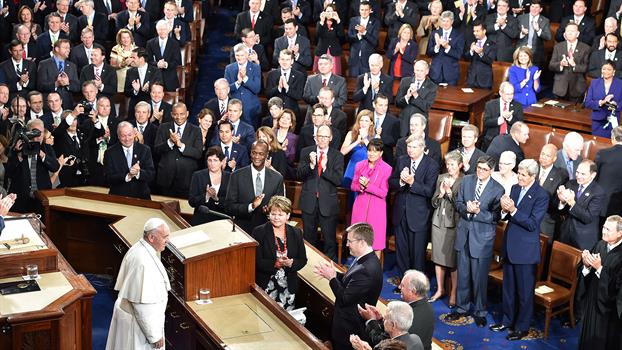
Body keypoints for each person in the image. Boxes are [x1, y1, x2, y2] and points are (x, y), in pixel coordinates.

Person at [491, 159, 549, 340]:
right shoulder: (515, 188)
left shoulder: (541, 195)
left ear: (533, 176)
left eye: (524, 175)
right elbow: (508, 214)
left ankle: (522, 327)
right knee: (508, 289)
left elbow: (532, 224)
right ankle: (507, 321)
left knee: (524, 293)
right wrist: (504, 209)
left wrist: (514, 210)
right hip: (510, 246)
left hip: (525, 251)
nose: (520, 177)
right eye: (520, 173)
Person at [447, 155, 504, 327]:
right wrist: (467, 209)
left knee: (479, 278)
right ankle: (461, 308)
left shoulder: (498, 189)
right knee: (463, 274)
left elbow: (496, 216)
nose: (480, 171)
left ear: (492, 171)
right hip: (464, 234)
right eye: (478, 168)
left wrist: (478, 212)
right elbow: (457, 203)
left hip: (482, 238)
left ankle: (480, 311)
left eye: (484, 169)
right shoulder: (467, 181)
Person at [313, 222, 383, 350]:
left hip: (350, 329)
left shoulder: (367, 268)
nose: (346, 244)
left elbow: (345, 299)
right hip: (346, 325)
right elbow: (352, 280)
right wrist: (334, 274)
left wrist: (332, 278)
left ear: (361, 242)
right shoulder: (365, 259)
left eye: (350, 241)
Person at [105, 218, 171, 350]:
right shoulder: (143, 262)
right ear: (151, 237)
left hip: (132, 319)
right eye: (165, 237)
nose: (168, 241)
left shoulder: (141, 248)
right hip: (137, 327)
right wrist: (154, 336)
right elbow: (142, 307)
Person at [390, 135, 439, 274]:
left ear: (423, 148)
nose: (410, 150)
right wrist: (400, 182)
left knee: (417, 254)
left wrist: (412, 183)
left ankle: (417, 287)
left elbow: (430, 191)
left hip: (419, 216)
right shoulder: (401, 160)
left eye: (414, 147)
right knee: (402, 251)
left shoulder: (432, 164)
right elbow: (391, 182)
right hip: (400, 213)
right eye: (408, 147)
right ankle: (403, 282)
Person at [297, 125, 344, 260]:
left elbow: (338, 180)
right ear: (315, 138)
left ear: (330, 138)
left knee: (329, 241)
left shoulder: (337, 156)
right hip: (309, 202)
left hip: (328, 204)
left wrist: (324, 168)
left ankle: (329, 269)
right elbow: (299, 175)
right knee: (308, 239)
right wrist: (311, 166)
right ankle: (308, 267)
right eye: (320, 136)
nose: (322, 139)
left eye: (325, 137)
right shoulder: (306, 152)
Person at [252, 196, 308, 310]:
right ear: (269, 214)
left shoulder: (296, 232)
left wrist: (291, 262)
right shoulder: (259, 232)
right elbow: (256, 261)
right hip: (266, 284)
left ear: (287, 216)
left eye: (280, 214)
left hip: (288, 287)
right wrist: (275, 264)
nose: (276, 218)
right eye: (273, 214)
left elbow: (303, 260)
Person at [576, 215, 622, 349]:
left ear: (620, 233)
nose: (604, 231)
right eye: (603, 227)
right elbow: (586, 274)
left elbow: (618, 288)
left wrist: (600, 268)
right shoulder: (600, 244)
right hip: (592, 303)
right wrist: (586, 265)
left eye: (608, 229)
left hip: (608, 313)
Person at [358, 270, 434, 350]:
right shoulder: (428, 307)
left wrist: (371, 321)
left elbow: (384, 344)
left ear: (413, 291)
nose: (399, 287)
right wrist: (381, 320)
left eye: (403, 285)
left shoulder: (408, 316)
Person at [225, 140, 285, 233]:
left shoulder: (277, 178)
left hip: (267, 230)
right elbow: (229, 207)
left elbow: (279, 208)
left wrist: (269, 211)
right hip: (242, 230)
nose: (257, 157)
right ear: (250, 153)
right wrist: (251, 206)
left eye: (261, 154)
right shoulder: (236, 176)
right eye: (254, 153)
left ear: (267, 154)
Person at [429, 151, 463, 306]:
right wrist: (441, 194)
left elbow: (460, 206)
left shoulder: (464, 181)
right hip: (438, 222)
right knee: (438, 257)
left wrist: (449, 193)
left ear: (460, 166)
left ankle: (454, 292)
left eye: (453, 165)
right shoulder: (441, 178)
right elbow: (434, 202)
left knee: (451, 260)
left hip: (453, 224)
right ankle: (440, 289)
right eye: (448, 164)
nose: (449, 167)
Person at [6, 118, 60, 213]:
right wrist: (18, 154)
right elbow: (9, 173)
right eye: (35, 132)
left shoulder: (47, 148)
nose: (38, 136)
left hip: (41, 197)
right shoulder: (18, 148)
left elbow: (55, 167)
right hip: (21, 198)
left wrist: (41, 154)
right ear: (28, 133)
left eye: (41, 132)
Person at [350, 139, 392, 258]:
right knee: (358, 240)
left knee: (376, 243)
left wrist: (368, 186)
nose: (371, 153)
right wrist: (361, 187)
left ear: (381, 153)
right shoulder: (360, 165)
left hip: (376, 210)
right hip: (360, 206)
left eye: (375, 151)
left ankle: (375, 273)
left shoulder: (386, 169)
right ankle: (357, 270)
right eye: (369, 150)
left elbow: (383, 192)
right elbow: (353, 185)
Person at [154, 102, 202, 197]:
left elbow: (198, 153)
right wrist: (170, 142)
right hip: (166, 178)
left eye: (182, 114)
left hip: (186, 180)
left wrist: (181, 145)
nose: (178, 117)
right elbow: (156, 150)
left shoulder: (196, 130)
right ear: (172, 114)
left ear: (187, 113)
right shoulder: (163, 128)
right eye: (175, 114)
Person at [556, 160, 605, 250]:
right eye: (577, 172)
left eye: (583, 174)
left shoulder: (598, 192)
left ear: (593, 175)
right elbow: (562, 212)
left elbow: (588, 217)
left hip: (582, 239)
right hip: (565, 234)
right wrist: (562, 201)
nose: (578, 176)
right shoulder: (571, 184)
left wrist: (572, 202)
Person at [103, 121, 155, 200]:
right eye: (123, 136)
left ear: (134, 134)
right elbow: (108, 178)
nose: (127, 139)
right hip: (118, 197)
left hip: (141, 197)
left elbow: (151, 175)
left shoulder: (145, 150)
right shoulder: (110, 152)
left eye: (129, 135)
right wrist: (127, 176)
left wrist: (138, 173)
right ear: (118, 136)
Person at [352, 301, 424, 350]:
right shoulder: (416, 339)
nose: (383, 320)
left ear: (393, 325)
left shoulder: (386, 348)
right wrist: (379, 320)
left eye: (385, 318)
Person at [188, 146, 230, 225]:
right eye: (209, 160)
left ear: (221, 162)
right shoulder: (198, 175)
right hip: (201, 221)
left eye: (215, 160)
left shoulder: (230, 177)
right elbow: (192, 201)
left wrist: (217, 199)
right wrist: (206, 196)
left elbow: (231, 203)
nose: (212, 164)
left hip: (221, 222)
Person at [395, 60, 438, 137]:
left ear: (427, 71)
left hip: (419, 126)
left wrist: (415, 95)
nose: (419, 73)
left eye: (422, 71)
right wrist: (407, 97)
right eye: (417, 70)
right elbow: (397, 103)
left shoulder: (432, 86)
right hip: (403, 124)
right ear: (414, 70)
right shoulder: (405, 81)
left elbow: (426, 107)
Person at [549, 22, 590, 102]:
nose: (570, 33)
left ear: (578, 33)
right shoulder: (558, 47)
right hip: (560, 87)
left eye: (572, 31)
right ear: (565, 33)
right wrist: (560, 64)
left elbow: (587, 68)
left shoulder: (586, 48)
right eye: (568, 31)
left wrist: (574, 65)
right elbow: (551, 65)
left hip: (577, 87)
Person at [224, 43, 261, 128]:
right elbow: (227, 89)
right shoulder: (229, 68)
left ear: (247, 55)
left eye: (242, 55)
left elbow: (256, 89)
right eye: (237, 55)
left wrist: (245, 78)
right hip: (234, 109)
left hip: (251, 108)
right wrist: (238, 82)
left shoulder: (255, 67)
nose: (239, 58)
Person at [36, 39, 80, 110]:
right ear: (57, 49)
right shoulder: (44, 64)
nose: (68, 50)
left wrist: (68, 84)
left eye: (69, 48)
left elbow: (77, 87)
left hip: (67, 105)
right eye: (65, 48)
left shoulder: (72, 66)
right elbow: (40, 86)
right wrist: (56, 84)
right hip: (50, 106)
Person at [537, 144, 569, 240]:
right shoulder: (531, 168)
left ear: (554, 159)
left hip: (546, 221)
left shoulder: (560, 175)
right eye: (543, 154)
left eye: (548, 156)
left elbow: (558, 204)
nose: (544, 157)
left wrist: (562, 202)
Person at [584, 61, 622, 138]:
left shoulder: (620, 84)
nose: (606, 71)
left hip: (613, 121)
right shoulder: (594, 83)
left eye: (609, 69)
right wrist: (602, 102)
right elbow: (587, 103)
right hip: (597, 121)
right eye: (604, 69)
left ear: (614, 71)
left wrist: (616, 105)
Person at [482, 82, 525, 150]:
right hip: (492, 140)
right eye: (507, 94)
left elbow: (520, 125)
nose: (510, 96)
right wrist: (499, 120)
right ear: (500, 93)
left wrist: (510, 118)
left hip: (510, 140)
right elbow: (486, 122)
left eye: (512, 94)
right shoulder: (490, 104)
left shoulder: (517, 106)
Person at [265, 49, 305, 119]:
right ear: (279, 60)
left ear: (292, 61)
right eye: (282, 59)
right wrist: (278, 88)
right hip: (275, 113)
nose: (285, 62)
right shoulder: (271, 74)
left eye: (287, 60)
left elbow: (299, 96)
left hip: (292, 113)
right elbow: (268, 94)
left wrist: (287, 88)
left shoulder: (299, 75)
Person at [427, 10, 464, 85]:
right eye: (443, 21)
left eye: (447, 21)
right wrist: (437, 46)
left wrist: (447, 47)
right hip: (435, 73)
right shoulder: (435, 33)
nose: (445, 23)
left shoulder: (459, 35)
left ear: (452, 21)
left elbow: (458, 54)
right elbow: (428, 52)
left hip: (451, 74)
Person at [146, 20, 181, 93]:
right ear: (157, 30)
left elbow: (177, 61)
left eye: (164, 29)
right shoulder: (150, 43)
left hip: (170, 79)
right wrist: (157, 64)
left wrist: (166, 64)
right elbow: (147, 60)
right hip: (154, 78)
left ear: (168, 30)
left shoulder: (175, 44)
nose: (162, 31)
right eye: (160, 29)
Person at [341, 110, 374, 188]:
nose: (363, 123)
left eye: (366, 121)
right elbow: (342, 152)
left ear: (371, 123)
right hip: (352, 170)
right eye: (361, 120)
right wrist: (357, 142)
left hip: (368, 170)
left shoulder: (375, 136)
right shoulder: (350, 134)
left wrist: (365, 139)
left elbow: (375, 152)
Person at [347, 1, 380, 77]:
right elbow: (349, 38)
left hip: (367, 61)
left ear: (370, 10)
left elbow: (375, 42)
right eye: (362, 10)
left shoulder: (375, 22)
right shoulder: (353, 20)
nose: (364, 12)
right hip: (354, 60)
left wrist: (364, 32)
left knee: (366, 84)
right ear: (359, 10)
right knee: (353, 84)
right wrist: (358, 35)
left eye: (366, 10)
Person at [595, 127, 622, 218]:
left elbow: (594, 177)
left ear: (613, 138)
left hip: (600, 204)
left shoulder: (602, 154)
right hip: (619, 209)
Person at [516, 0, 551, 69]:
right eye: (532, 6)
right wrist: (522, 33)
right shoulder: (521, 18)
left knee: (533, 76)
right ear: (530, 7)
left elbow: (548, 37)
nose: (534, 9)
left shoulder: (545, 21)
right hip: (521, 50)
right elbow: (514, 34)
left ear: (540, 9)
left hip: (536, 53)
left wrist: (538, 30)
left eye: (536, 7)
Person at [313, 4, 345, 75]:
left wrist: (338, 20)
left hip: (334, 53)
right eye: (327, 11)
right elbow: (316, 37)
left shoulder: (338, 24)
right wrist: (321, 21)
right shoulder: (320, 23)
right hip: (321, 52)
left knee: (334, 76)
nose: (329, 13)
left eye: (331, 11)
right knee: (319, 76)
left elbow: (342, 38)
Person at [464, 20, 496, 90]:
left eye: (477, 31)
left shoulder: (492, 44)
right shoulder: (472, 42)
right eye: (474, 31)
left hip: (484, 81)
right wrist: (471, 51)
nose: (475, 33)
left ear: (484, 31)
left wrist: (481, 53)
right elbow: (466, 58)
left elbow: (490, 61)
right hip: (471, 80)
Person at [110, 29, 137, 93]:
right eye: (123, 38)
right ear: (120, 39)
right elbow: (112, 66)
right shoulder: (115, 49)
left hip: (133, 79)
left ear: (131, 38)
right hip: (119, 79)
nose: (126, 40)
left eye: (128, 37)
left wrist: (132, 64)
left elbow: (140, 65)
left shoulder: (136, 49)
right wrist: (122, 65)